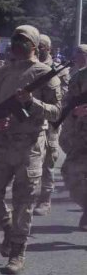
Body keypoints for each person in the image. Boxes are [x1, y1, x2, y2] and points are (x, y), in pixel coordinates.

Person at [0, 25, 62, 275]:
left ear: (34, 46)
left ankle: (17, 251)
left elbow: (57, 112)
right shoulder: (1, 73)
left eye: (23, 41)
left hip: (30, 144)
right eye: (15, 39)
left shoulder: (46, 74)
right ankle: (8, 228)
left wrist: (32, 103)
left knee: (24, 200)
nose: (16, 44)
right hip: (3, 143)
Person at [33, 34, 67, 216]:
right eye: (36, 46)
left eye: (42, 47)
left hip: (51, 120)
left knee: (48, 161)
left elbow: (65, 95)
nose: (38, 50)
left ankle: (45, 199)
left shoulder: (59, 70)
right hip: (31, 120)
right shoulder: (29, 68)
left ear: (49, 49)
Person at [60, 45, 87, 231]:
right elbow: (66, 106)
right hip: (81, 135)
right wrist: (74, 114)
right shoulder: (79, 77)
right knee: (70, 173)